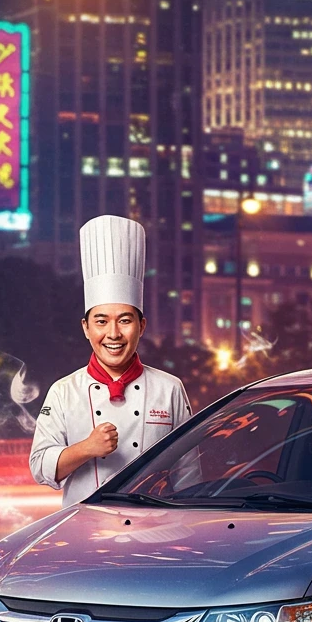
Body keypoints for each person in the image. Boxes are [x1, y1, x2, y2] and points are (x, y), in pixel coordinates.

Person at [30, 215, 192, 505]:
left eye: (125, 320)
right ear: (86, 328)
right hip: (82, 532)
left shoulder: (170, 389)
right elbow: (40, 467)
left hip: (155, 530)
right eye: (102, 321)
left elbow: (189, 474)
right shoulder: (64, 391)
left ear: (141, 326)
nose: (113, 333)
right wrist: (87, 448)